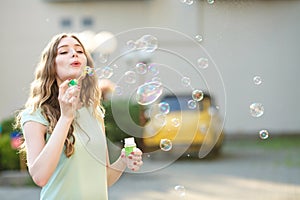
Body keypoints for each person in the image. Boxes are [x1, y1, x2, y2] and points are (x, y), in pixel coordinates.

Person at [15, 33, 143, 199]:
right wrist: (66, 117)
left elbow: (102, 179)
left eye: (79, 51)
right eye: (63, 52)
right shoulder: (35, 116)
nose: (74, 54)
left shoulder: (94, 112)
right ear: (51, 66)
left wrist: (123, 161)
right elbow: (40, 177)